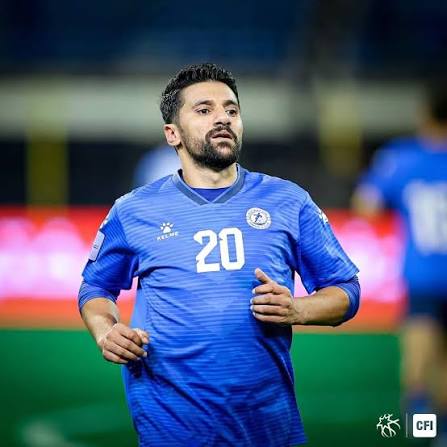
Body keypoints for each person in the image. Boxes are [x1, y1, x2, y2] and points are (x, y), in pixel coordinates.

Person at [78, 63, 360, 447]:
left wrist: (298, 309)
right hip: (170, 429)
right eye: (204, 109)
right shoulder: (133, 211)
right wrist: (106, 332)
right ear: (172, 134)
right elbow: (95, 287)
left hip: (268, 429)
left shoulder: (288, 201)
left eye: (231, 109)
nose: (223, 118)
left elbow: (346, 289)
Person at [352, 84, 447, 439]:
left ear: (426, 116)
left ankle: (422, 430)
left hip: (424, 276)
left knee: (419, 363)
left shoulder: (403, 158)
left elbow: (367, 205)